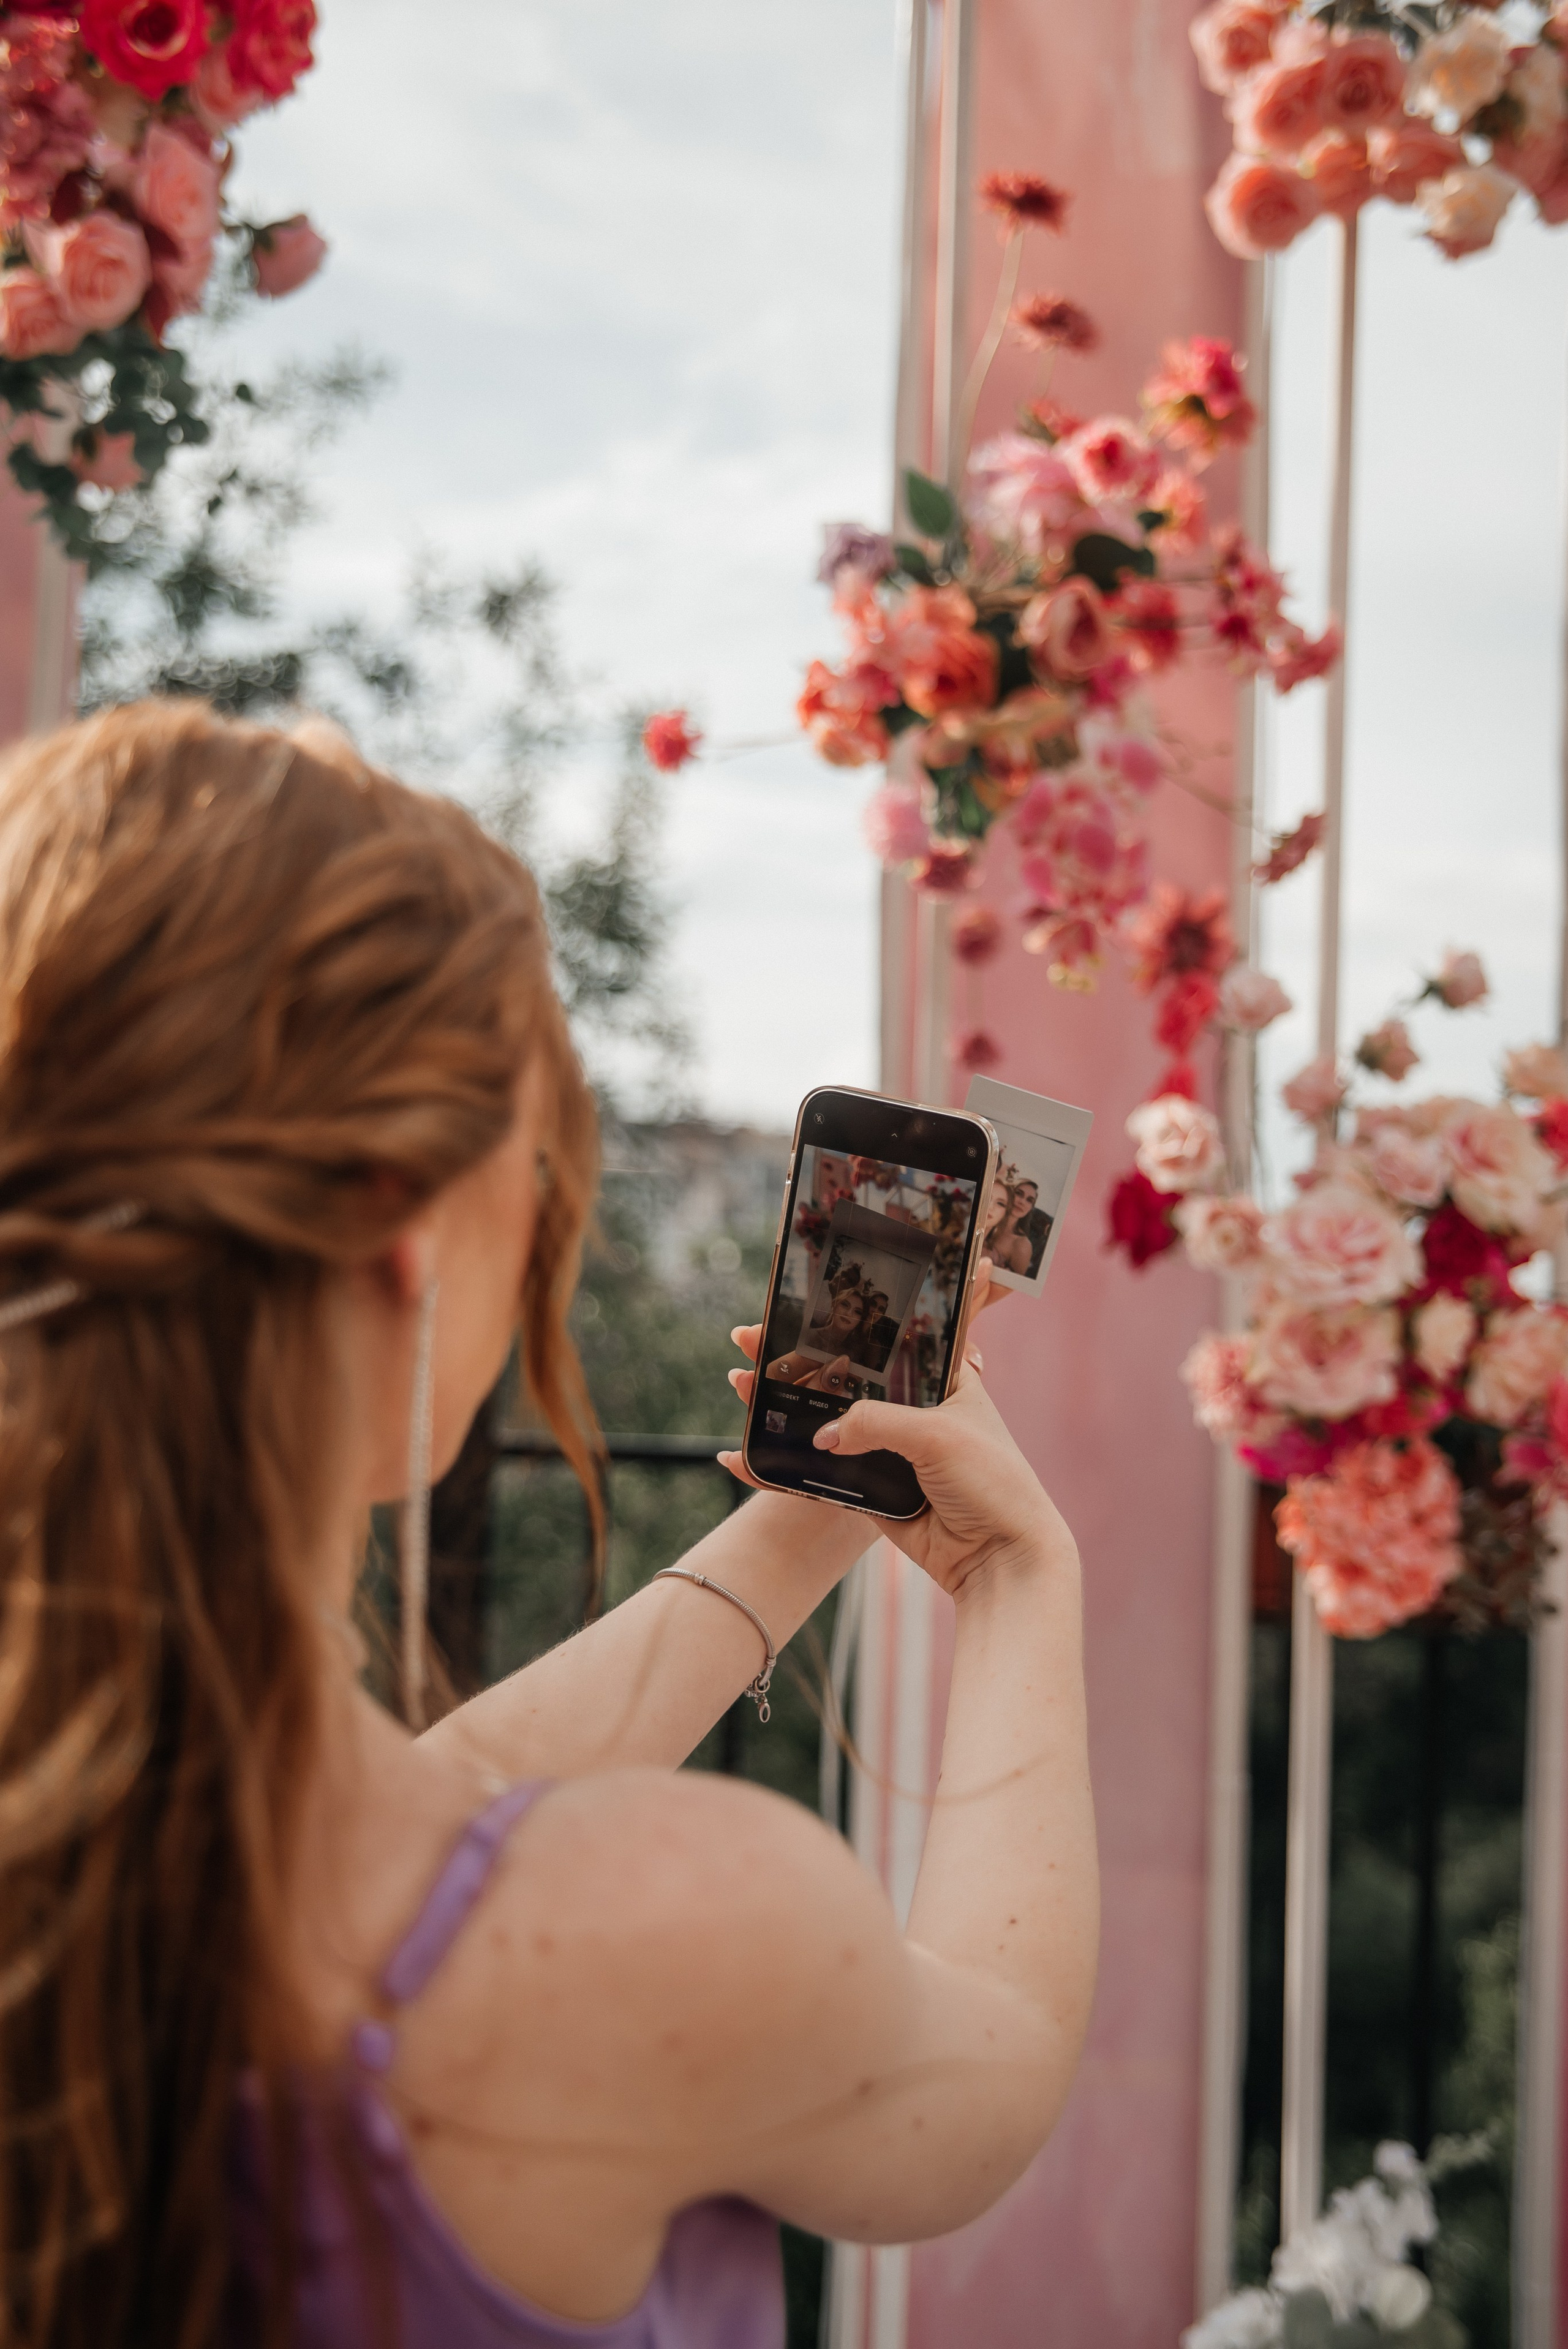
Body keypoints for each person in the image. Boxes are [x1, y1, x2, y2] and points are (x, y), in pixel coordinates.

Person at [0, 702, 1098, 2349]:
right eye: (535, 1159)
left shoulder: (108, 1865)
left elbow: (448, 1793)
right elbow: (995, 2057)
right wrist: (1021, 1580)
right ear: (396, 1247)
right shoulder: (663, 1937)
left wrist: (819, 1510)